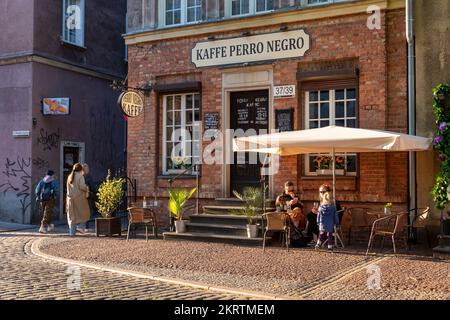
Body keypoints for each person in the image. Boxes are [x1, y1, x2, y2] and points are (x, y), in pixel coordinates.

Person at [66, 163, 90, 236]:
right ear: (80, 170)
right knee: (84, 214)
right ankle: (80, 227)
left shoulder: (69, 176)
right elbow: (82, 186)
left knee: (71, 217)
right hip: (79, 198)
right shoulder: (80, 176)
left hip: (70, 199)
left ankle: (72, 233)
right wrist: (87, 188)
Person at [315, 184, 340, 253]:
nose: (321, 193)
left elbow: (318, 216)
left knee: (321, 234)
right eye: (320, 192)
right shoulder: (333, 207)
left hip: (322, 224)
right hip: (330, 225)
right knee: (330, 236)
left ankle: (318, 244)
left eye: (323, 192)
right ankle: (330, 248)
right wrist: (337, 224)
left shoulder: (320, 207)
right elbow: (336, 217)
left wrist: (318, 222)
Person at [82, 163, 95, 232]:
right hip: (87, 195)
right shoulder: (88, 176)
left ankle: (82, 224)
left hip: (80, 195)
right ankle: (86, 225)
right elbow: (92, 186)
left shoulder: (80, 176)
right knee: (87, 210)